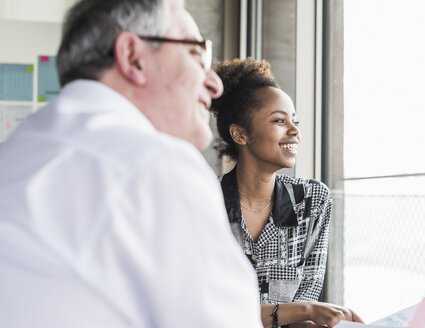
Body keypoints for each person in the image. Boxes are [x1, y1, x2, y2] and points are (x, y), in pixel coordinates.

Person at [0, 1, 262, 327]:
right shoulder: (153, 165)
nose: (215, 84)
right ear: (133, 58)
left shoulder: (15, 156)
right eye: (197, 54)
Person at [211, 57, 364, 328]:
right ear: (240, 134)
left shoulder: (313, 201)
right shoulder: (204, 201)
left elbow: (306, 305)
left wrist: (311, 318)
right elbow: (209, 310)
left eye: (295, 121)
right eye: (280, 121)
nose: (295, 132)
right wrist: (302, 310)